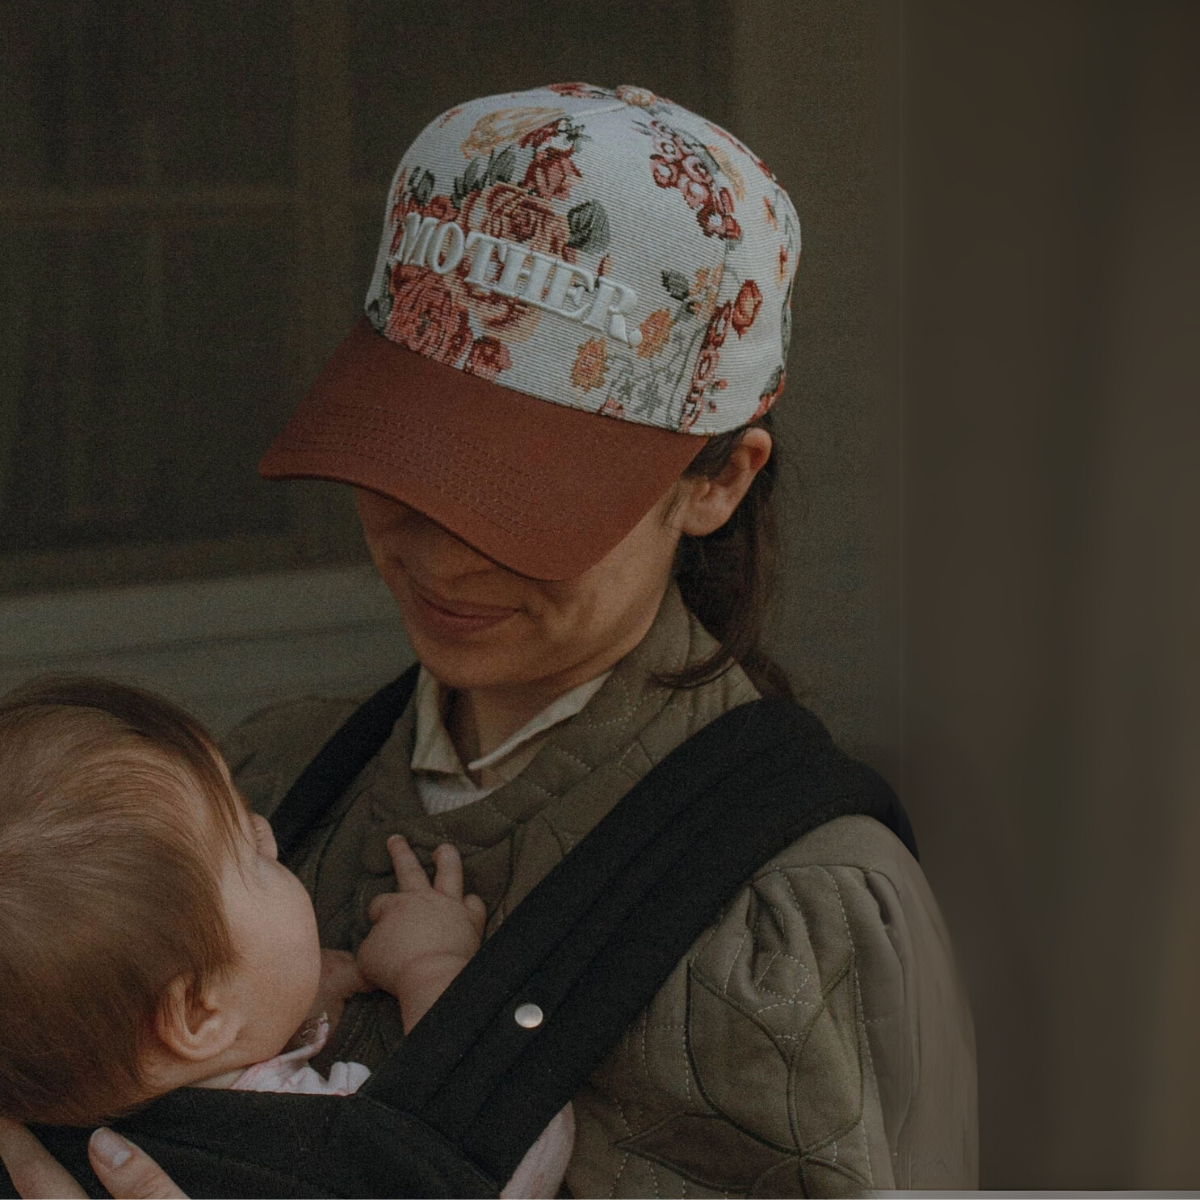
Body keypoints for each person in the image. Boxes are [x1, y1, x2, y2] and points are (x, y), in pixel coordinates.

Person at [0, 82, 977, 1196]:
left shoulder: (796, 912)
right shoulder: (264, 786)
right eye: (407, 465)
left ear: (717, 480)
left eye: (523, 499)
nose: (444, 552)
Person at [0, 678, 572, 1199]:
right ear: (199, 1014)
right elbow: (515, 1152)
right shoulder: (307, 1147)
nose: (269, 834)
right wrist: (434, 965)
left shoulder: (43, 1142)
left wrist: (275, 1003)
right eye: (248, 852)